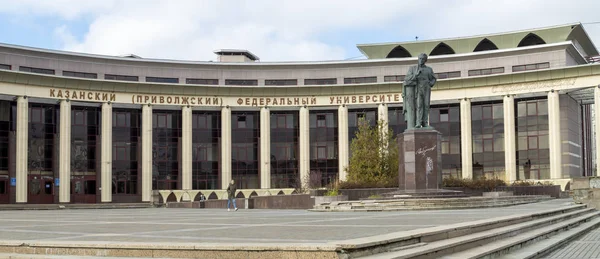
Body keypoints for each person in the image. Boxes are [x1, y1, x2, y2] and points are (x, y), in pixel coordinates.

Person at [403, 53, 437, 129]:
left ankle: (425, 123)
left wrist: (431, 83)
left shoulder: (429, 69)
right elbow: (407, 79)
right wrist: (415, 75)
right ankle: (418, 123)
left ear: (425, 60)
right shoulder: (413, 68)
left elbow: (434, 78)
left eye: (423, 59)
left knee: (426, 105)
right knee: (419, 105)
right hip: (417, 88)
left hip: (426, 88)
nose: (421, 60)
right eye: (420, 58)